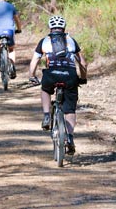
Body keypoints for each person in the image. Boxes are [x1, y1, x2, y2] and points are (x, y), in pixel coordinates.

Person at [28, 15, 88, 155]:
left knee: (45, 89)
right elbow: (83, 63)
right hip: (70, 76)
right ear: (64, 28)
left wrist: (31, 76)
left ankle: (47, 115)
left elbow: (34, 61)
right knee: (70, 110)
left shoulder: (44, 41)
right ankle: (70, 138)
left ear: (50, 28)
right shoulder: (71, 41)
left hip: (51, 75)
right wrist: (83, 78)